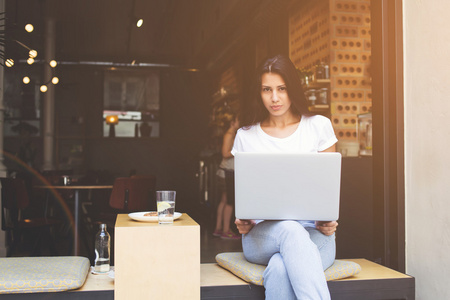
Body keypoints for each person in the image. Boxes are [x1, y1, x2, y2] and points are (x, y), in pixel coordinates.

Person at [232, 54, 338, 299]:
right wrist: (243, 220)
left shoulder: (318, 126)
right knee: (289, 229)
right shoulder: (246, 136)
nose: (275, 98)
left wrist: (328, 219)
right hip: (262, 237)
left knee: (280, 268)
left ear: (293, 88)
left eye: (282, 88)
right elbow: (245, 198)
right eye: (267, 90)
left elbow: (328, 192)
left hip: (314, 235)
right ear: (259, 93)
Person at [213, 116, 241, 239]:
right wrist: (237, 151)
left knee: (224, 201)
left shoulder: (231, 134)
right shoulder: (230, 134)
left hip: (225, 171)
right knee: (229, 202)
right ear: (232, 122)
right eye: (239, 121)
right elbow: (225, 153)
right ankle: (226, 230)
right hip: (228, 171)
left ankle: (218, 229)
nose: (240, 123)